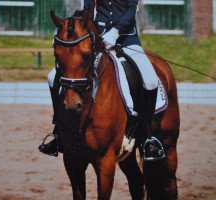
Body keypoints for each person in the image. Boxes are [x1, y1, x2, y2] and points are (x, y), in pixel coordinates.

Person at [38, 0, 165, 161]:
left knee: (151, 80)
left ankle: (148, 137)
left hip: (127, 39)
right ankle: (58, 133)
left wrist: (116, 32)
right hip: (98, 38)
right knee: (51, 77)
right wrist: (68, 32)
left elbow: (131, 10)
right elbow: (87, 12)